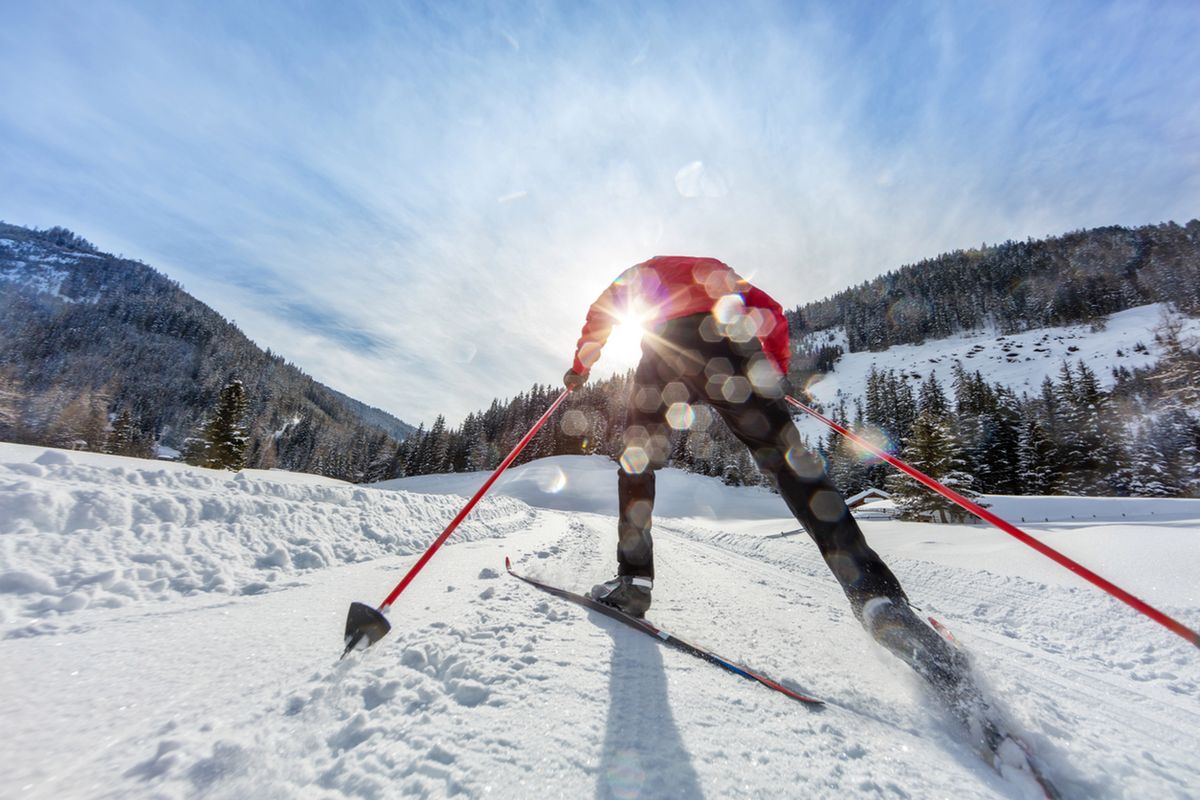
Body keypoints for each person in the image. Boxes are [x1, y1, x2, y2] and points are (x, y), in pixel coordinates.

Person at [564, 255, 973, 708]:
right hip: (733, 352)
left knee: (637, 462)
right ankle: (876, 597)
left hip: (662, 353)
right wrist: (773, 369)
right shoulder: (714, 268)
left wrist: (582, 367)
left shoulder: (644, 270)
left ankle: (634, 582)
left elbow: (603, 312)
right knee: (791, 464)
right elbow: (771, 311)